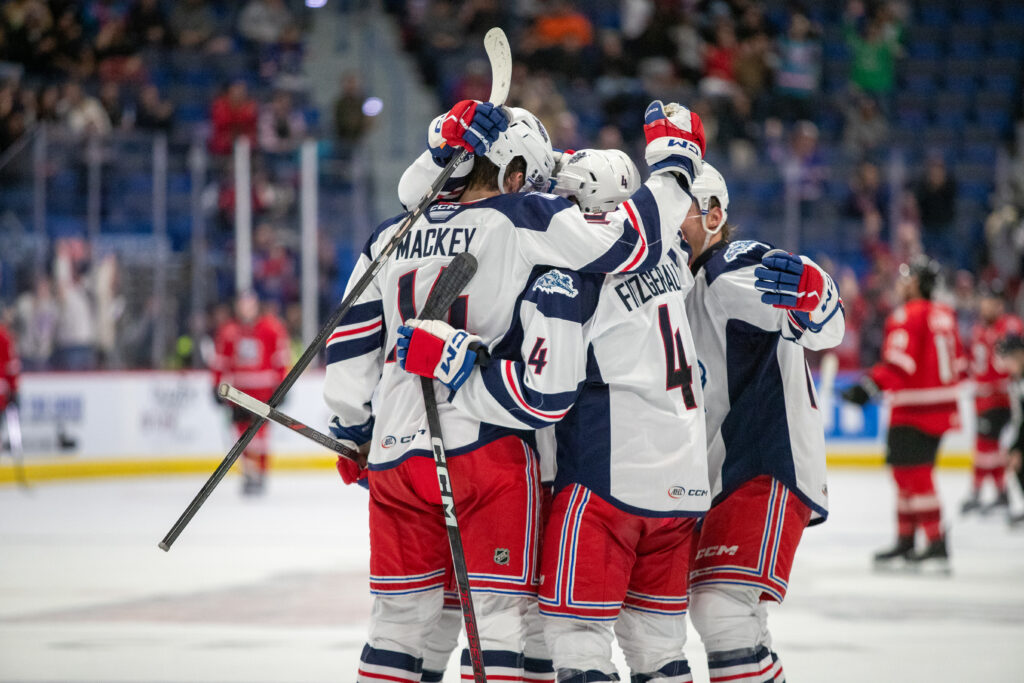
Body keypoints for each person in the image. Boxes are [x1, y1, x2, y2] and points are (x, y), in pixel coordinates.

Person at [323, 99, 702, 683]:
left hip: (398, 455)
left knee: (397, 625)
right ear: (515, 172)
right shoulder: (524, 217)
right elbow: (631, 242)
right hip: (489, 451)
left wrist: (353, 433)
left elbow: (348, 349)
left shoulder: (389, 235)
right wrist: (675, 164)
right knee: (500, 622)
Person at [682, 162, 844, 682]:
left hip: (765, 463)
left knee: (721, 608)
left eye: (680, 208)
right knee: (725, 616)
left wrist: (816, 300)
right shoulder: (672, 287)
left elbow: (818, 324)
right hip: (723, 476)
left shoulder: (729, 267)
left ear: (713, 216)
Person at [843, 256, 965, 571]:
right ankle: (907, 540)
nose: (902, 283)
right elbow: (960, 366)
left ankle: (935, 543)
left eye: (908, 278)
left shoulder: (907, 315)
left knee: (915, 476)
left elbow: (899, 364)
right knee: (907, 474)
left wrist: (867, 386)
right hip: (942, 407)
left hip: (915, 409)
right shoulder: (946, 315)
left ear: (920, 283)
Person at [211, 290, 290, 495]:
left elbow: (280, 361)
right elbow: (221, 363)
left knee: (261, 436)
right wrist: (216, 386)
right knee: (241, 435)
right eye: (242, 304)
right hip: (238, 393)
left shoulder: (271, 328)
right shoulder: (229, 331)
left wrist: (283, 387)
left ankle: (261, 473)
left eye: (249, 303)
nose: (246, 308)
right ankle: (248, 473)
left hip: (264, 393)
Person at [963, 280, 1023, 514]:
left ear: (999, 304)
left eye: (990, 301)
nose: (985, 305)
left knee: (986, 445)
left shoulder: (1009, 327)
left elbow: (1013, 363)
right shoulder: (980, 328)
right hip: (983, 397)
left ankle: (980, 492)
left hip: (1000, 398)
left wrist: (997, 385)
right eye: (984, 300)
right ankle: (1000, 493)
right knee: (990, 446)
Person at [993, 334, 1024, 525]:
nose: (1005, 363)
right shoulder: (1016, 380)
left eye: (1008, 357)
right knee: (1017, 467)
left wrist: (1019, 449)